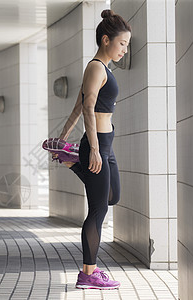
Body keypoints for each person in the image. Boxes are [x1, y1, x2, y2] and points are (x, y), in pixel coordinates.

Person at [50, 9, 131, 289]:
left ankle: (71, 158)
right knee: (97, 210)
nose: (125, 49)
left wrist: (62, 138)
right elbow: (87, 106)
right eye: (122, 44)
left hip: (105, 144)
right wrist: (93, 148)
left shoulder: (104, 68)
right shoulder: (97, 66)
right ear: (106, 40)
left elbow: (76, 105)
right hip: (97, 144)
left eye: (127, 45)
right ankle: (89, 273)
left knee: (112, 195)